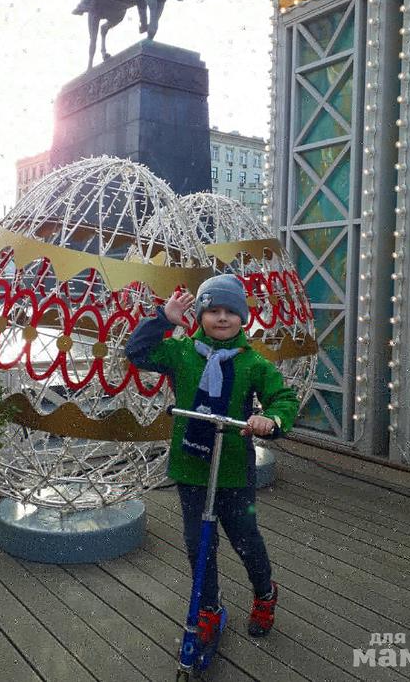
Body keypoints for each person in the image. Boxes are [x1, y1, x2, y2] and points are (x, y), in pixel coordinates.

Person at [125, 274, 299, 642]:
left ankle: (264, 593)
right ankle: (208, 607)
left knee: (245, 538)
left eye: (230, 311)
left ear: (242, 317)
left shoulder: (253, 363)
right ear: (200, 315)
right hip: (191, 468)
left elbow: (283, 398)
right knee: (199, 545)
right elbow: (137, 352)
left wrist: (271, 419)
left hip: (233, 469)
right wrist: (163, 319)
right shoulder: (181, 352)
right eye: (213, 310)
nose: (222, 318)